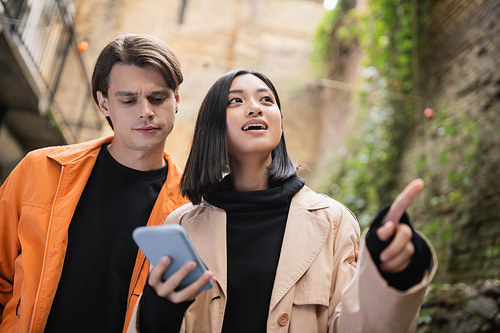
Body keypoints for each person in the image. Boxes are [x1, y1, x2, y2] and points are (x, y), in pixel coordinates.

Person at [129, 69, 437, 333]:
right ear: (213, 126)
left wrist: (394, 273)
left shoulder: (333, 221)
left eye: (267, 100)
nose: (255, 108)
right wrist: (159, 313)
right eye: (236, 101)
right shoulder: (181, 226)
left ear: (280, 121)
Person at [0, 34, 189, 333]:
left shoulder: (190, 209)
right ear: (103, 103)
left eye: (158, 98)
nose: (145, 112)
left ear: (176, 98)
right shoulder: (40, 170)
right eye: (128, 100)